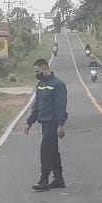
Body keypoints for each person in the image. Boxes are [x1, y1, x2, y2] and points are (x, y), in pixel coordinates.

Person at [23, 57, 69, 191]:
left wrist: (61, 125)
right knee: (53, 151)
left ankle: (43, 180)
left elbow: (61, 105)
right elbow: (36, 106)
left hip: (53, 123)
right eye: (35, 72)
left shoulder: (57, 84)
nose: (37, 74)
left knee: (46, 152)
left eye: (38, 71)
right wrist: (29, 122)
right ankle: (59, 179)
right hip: (44, 122)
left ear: (46, 69)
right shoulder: (41, 85)